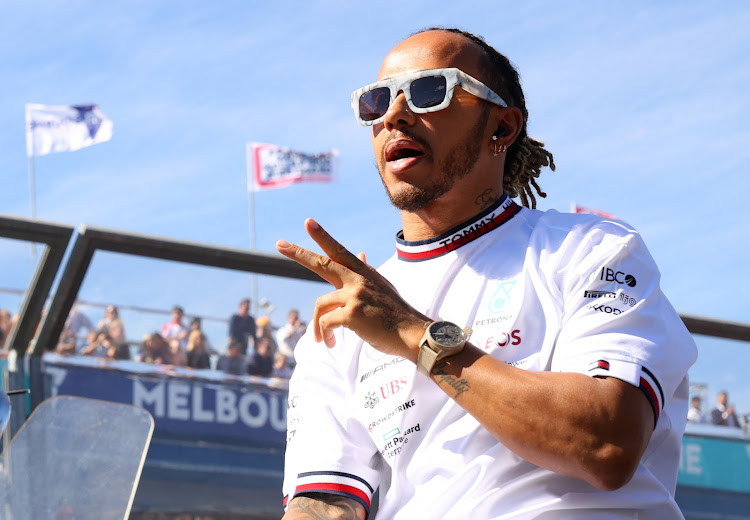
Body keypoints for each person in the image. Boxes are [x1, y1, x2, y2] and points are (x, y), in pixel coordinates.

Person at [276, 28, 697, 520]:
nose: (393, 114)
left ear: (502, 126)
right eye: (376, 100)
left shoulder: (590, 249)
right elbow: (324, 506)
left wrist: (413, 334)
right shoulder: (345, 318)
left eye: (429, 90)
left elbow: (605, 443)